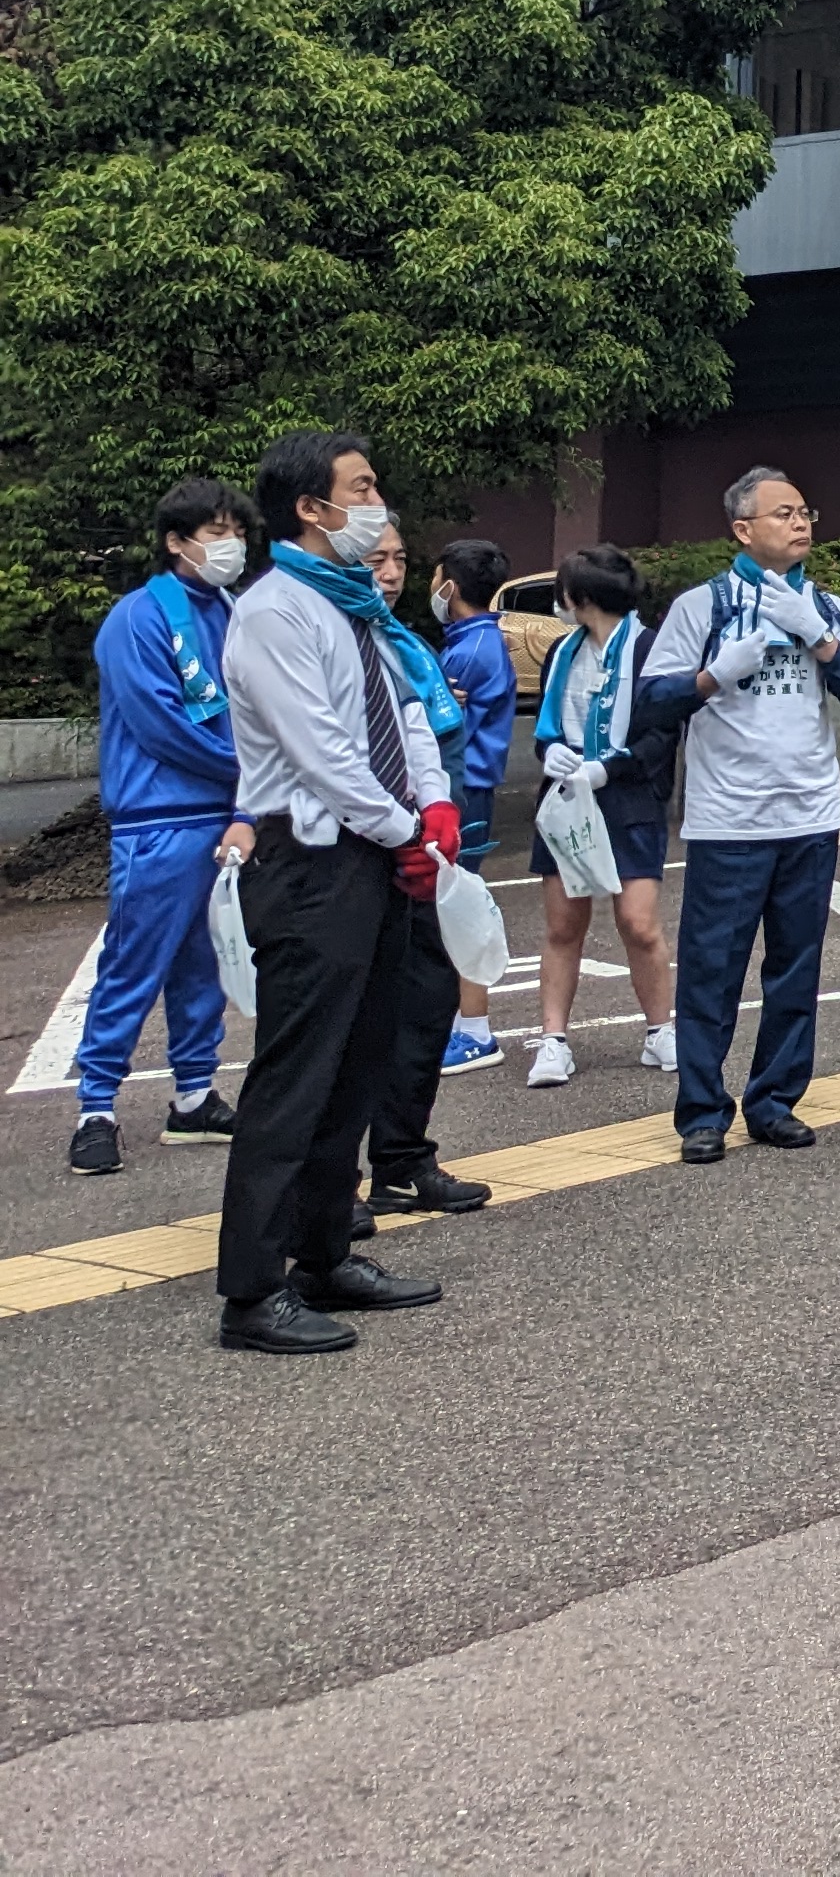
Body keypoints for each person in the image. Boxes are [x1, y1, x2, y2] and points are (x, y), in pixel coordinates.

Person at [211, 429, 461, 1356]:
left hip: (373, 850)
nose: (377, 504)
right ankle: (251, 1290)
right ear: (310, 508)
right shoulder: (274, 612)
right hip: (313, 860)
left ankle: (324, 1254)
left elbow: (401, 715)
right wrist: (403, 829)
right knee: (296, 1074)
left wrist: (431, 805)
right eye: (361, 489)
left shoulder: (354, 605)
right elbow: (320, 750)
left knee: (358, 1062)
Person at [639, 467, 840, 1167]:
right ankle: (702, 1113)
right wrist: (714, 674)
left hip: (809, 814)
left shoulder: (825, 606)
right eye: (783, 513)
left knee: (796, 969)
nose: (800, 522)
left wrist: (821, 638)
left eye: (805, 511)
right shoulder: (703, 606)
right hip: (730, 820)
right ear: (742, 529)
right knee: (712, 970)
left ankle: (774, 1101)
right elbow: (651, 702)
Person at [69, 482, 259, 1177]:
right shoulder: (137, 617)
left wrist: (250, 795)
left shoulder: (236, 610)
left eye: (237, 531)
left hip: (224, 814)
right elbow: (159, 725)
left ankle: (193, 1095)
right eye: (215, 532)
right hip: (159, 817)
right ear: (176, 542)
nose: (230, 544)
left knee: (208, 962)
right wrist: (254, 769)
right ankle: (95, 1107)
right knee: (133, 963)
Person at [359, 526, 496, 1223]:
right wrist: (399, 828)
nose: (390, 572)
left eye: (400, 560)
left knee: (425, 1003)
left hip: (427, 853)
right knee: (348, 1022)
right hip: (357, 852)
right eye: (375, 559)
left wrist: (436, 815)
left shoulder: (401, 641)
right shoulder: (319, 635)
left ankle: (403, 1161)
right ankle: (324, 1189)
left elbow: (426, 735)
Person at [525, 543, 677, 1085]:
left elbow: (663, 734)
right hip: (566, 794)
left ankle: (661, 1031)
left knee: (638, 922)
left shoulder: (649, 649)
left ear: (580, 597)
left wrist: (609, 768)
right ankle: (552, 1041)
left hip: (628, 796)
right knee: (564, 924)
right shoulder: (561, 652)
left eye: (563, 593)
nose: (559, 604)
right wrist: (549, 752)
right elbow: (546, 728)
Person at [428, 537, 518, 1073]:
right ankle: (461, 1023)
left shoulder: (470, 649)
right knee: (453, 901)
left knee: (458, 904)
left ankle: (475, 1029)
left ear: (451, 586)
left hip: (464, 789)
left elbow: (446, 727)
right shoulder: (475, 639)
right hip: (469, 787)